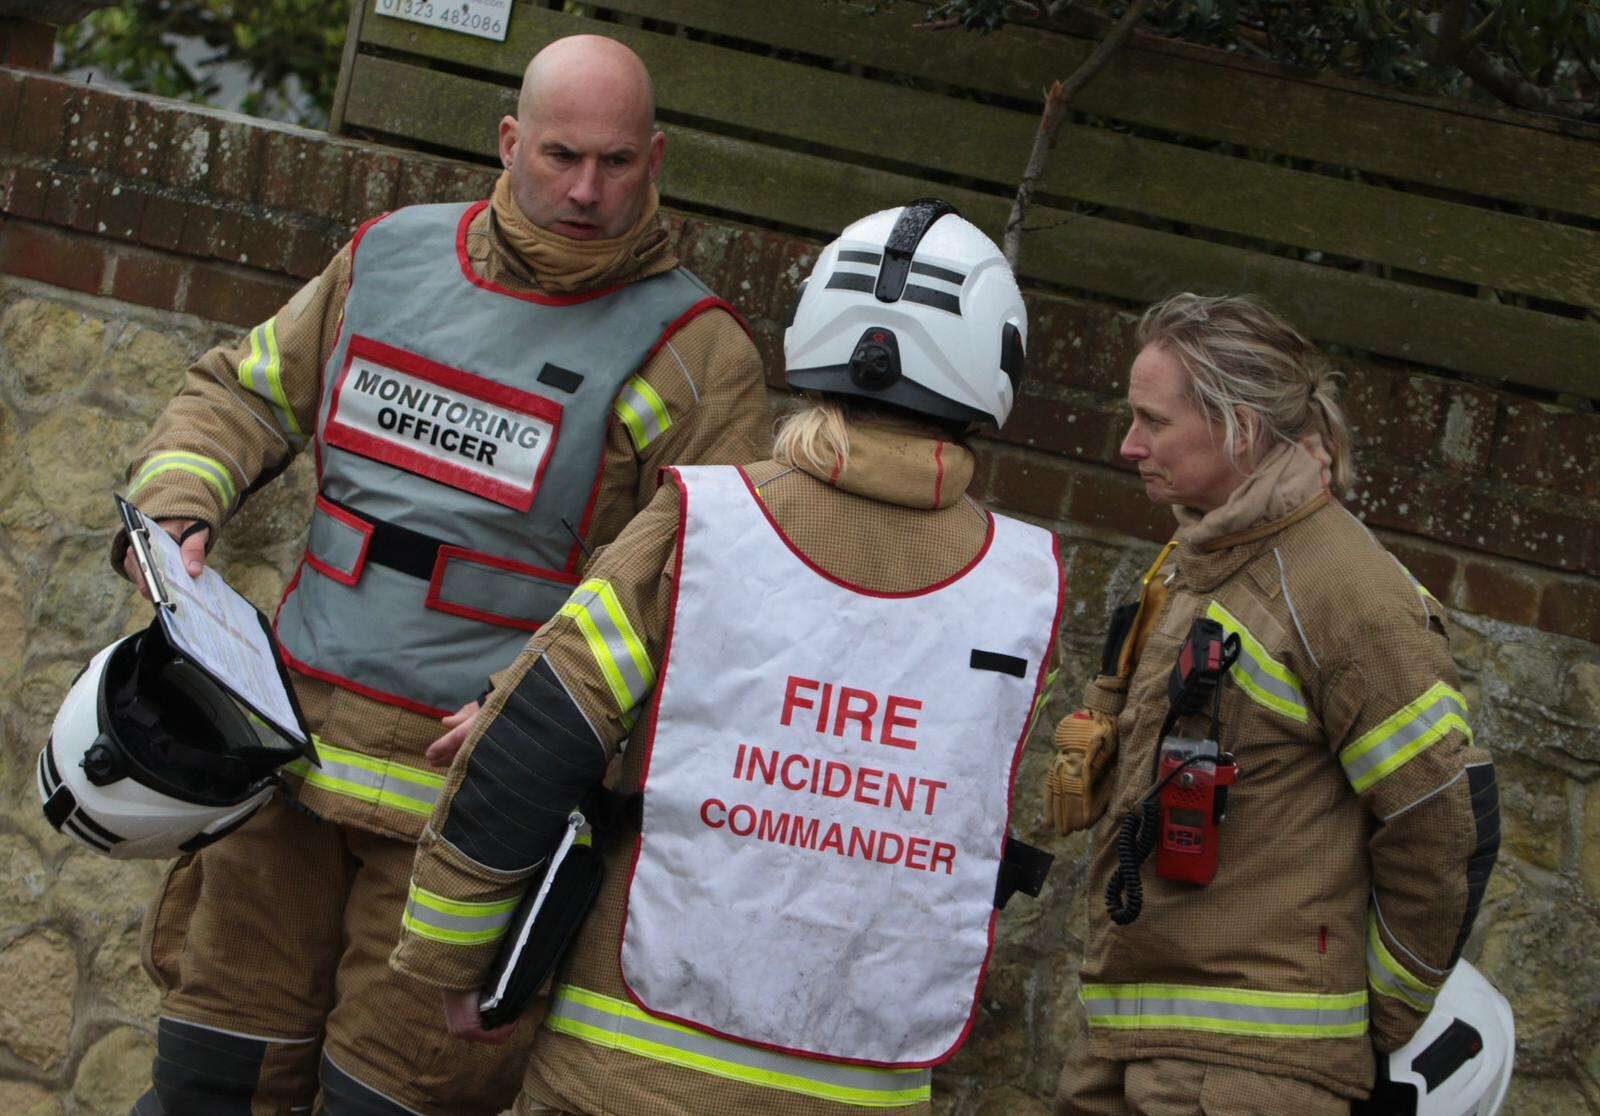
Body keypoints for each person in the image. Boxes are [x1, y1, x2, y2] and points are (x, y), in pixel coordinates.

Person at [112, 34, 771, 1116]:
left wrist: (559, 725)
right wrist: (178, 509)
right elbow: (245, 393)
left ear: (657, 161)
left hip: (465, 831)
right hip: (282, 764)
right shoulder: (389, 259)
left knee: (391, 1101)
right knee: (207, 1082)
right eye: (560, 155)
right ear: (508, 141)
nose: (586, 189)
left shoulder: (696, 358)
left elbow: (700, 596)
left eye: (615, 163)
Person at [389, 200, 1064, 1116]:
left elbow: (539, 736)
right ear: (997, 364)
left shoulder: (707, 522)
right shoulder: (1024, 585)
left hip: (623, 1075)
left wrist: (456, 960)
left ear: (818, 326)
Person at [1047, 293, 1500, 1115]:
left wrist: (1388, 1014)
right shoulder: (1203, 559)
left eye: (1153, 421)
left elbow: (1440, 819)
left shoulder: (1344, 592)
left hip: (1251, 1080)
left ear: (1241, 428)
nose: (1128, 444)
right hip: (1135, 1050)